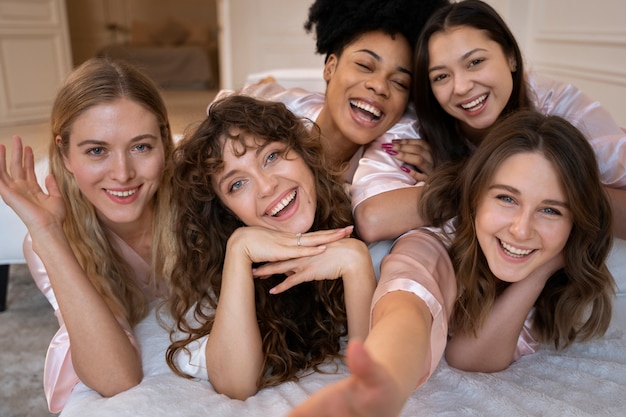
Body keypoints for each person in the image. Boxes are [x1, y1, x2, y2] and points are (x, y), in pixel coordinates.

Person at [288, 110, 615, 417]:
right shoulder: (434, 240)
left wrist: (544, 267)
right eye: (506, 198)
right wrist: (384, 380)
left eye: (551, 210)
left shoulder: (552, 262)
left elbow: (470, 357)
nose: (521, 229)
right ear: (474, 199)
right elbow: (408, 304)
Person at [352, 0, 626, 243]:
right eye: (441, 76)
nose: (460, 87)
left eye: (475, 62)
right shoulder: (419, 125)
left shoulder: (561, 108)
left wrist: (468, 174)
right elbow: (373, 219)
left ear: (510, 57)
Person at [164, 95, 376, 400]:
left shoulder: (365, 219)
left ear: (303, 153)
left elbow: (374, 378)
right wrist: (238, 249)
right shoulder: (221, 262)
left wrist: (355, 262)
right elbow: (236, 385)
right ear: (226, 211)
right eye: (237, 184)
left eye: (272, 156)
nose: (266, 187)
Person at [0, 57, 175, 413]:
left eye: (141, 146)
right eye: (97, 151)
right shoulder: (52, 240)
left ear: (165, 143)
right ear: (64, 154)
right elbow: (116, 378)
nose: (122, 173)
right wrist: (47, 233)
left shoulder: (198, 198)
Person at [229, 0, 449, 180]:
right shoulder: (278, 111)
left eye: (400, 82)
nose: (380, 86)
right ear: (330, 68)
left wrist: (439, 183)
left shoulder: (399, 154)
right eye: (364, 66)